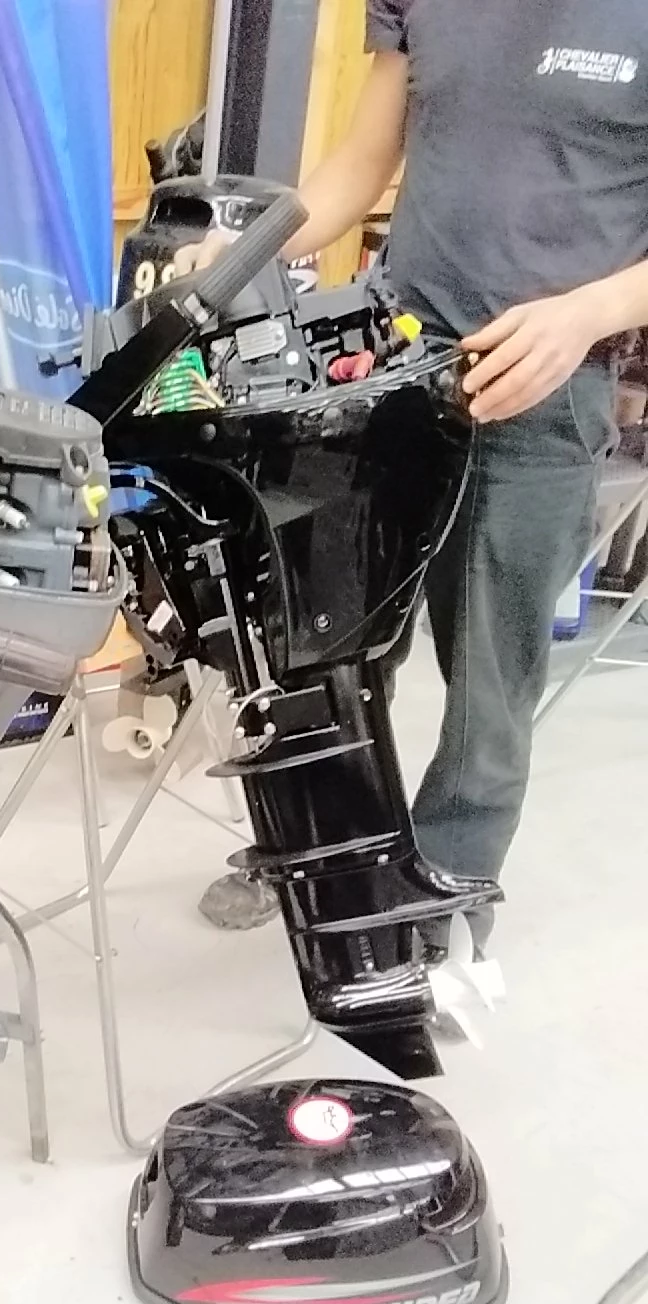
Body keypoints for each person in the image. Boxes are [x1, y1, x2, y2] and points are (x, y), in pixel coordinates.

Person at [181, 0, 648, 962]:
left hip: (543, 384)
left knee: (489, 678)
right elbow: (361, 164)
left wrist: (584, 315)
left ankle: (446, 891)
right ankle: (321, 852)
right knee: (330, 640)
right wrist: (238, 260)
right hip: (387, 356)